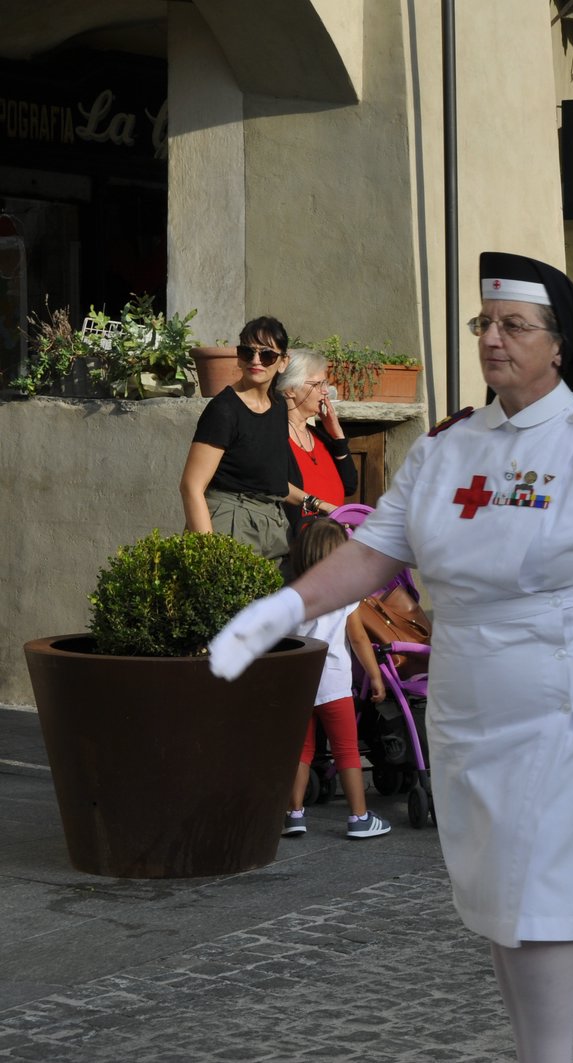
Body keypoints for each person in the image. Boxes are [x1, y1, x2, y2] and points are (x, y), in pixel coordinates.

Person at [207, 252, 573, 1063]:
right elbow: (373, 552)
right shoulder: (448, 448)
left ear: (559, 343)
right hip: (473, 700)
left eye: (515, 325)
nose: (493, 339)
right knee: (497, 894)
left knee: (539, 891)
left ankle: (552, 1055)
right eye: (485, 323)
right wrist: (281, 610)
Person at [179, 317, 335, 564]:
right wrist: (209, 557)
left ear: (283, 362)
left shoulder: (278, 407)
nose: (255, 361)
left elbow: (273, 483)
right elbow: (191, 486)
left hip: (272, 527)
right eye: (247, 352)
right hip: (228, 525)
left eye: (267, 355)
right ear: (238, 356)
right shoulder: (224, 410)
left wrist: (319, 505)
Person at [280, 519, 392, 840]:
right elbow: (357, 638)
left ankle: (294, 814)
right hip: (335, 687)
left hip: (299, 686)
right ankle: (358, 817)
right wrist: (375, 675)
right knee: (346, 751)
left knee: (301, 750)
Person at [280, 348, 359, 542]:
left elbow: (350, 485)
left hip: (333, 547)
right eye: (318, 384)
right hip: (299, 550)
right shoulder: (276, 438)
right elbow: (275, 486)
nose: (325, 392)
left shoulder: (319, 437)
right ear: (290, 389)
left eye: (325, 383)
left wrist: (337, 435)